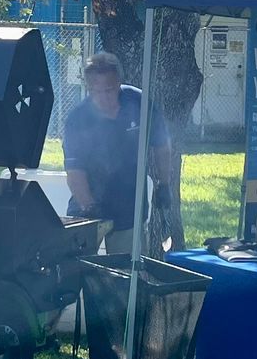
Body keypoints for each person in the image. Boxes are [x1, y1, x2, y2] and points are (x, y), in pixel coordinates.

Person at [63, 51, 176, 256]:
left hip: (129, 208)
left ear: (119, 83)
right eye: (99, 92)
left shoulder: (139, 103)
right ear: (89, 88)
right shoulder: (77, 119)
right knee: (80, 271)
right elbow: (74, 172)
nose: (106, 97)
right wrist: (90, 207)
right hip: (86, 209)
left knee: (126, 275)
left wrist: (164, 183)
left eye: (111, 89)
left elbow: (162, 145)